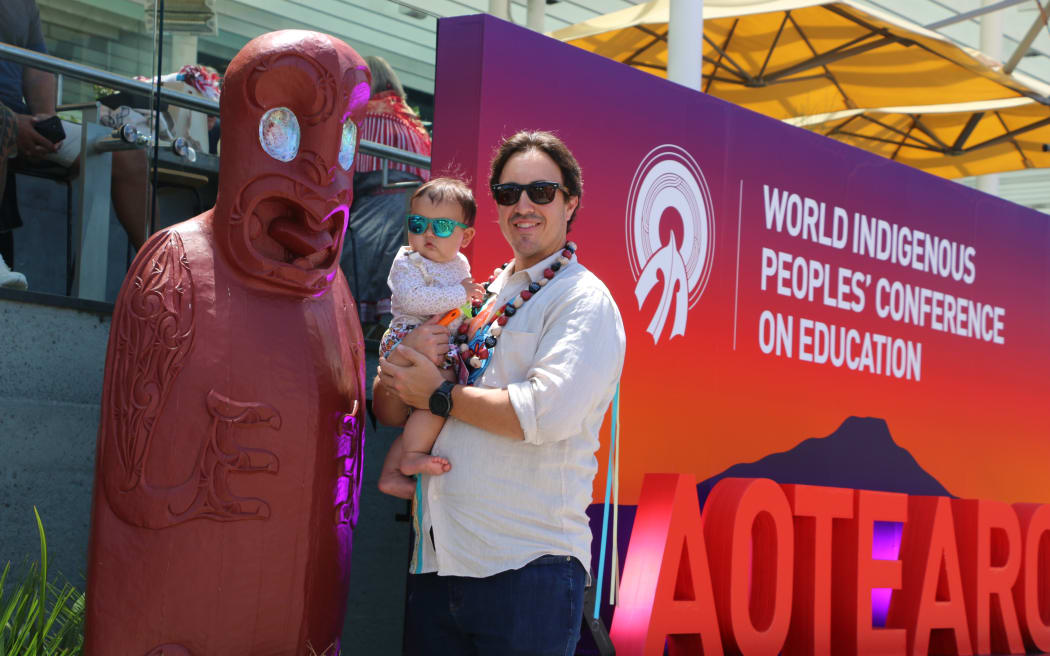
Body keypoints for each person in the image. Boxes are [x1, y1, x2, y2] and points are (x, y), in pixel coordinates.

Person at [375, 130, 626, 655]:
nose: (524, 205)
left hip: (526, 570)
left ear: (570, 202)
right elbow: (390, 407)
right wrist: (404, 358)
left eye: (541, 191)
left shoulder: (582, 300)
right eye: (509, 194)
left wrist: (439, 393)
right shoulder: (478, 295)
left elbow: (542, 414)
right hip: (438, 561)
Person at [0, 0, 151, 283]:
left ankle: (164, 267)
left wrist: (46, 123)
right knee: (2, 124)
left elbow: (38, 67)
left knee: (126, 152)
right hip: (4, 118)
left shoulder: (24, 5)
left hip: (17, 113)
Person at [376, 177, 483, 496]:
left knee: (433, 404)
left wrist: (471, 306)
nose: (428, 234)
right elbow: (413, 300)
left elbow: (461, 307)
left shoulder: (460, 263)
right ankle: (408, 459)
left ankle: (397, 468)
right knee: (438, 395)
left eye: (443, 227)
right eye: (418, 223)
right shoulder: (407, 260)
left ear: (466, 236)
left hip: (440, 343)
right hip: (406, 338)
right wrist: (459, 294)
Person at [339, 55, 432, 329]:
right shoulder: (411, 120)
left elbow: (344, 172)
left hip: (375, 211)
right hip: (411, 213)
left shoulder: (363, 118)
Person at [0, 102, 26, 289]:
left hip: (21, 114)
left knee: (127, 151)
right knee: (4, 118)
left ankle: (137, 283)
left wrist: (47, 117)